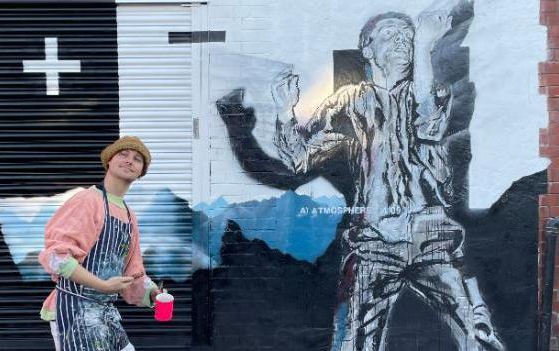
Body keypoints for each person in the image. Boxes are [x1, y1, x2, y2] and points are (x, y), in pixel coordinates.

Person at [216, 9, 504, 351]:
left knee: (479, 334)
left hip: (434, 239)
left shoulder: (432, 90)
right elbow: (299, 159)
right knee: (357, 343)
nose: (402, 42)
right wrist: (284, 112)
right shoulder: (350, 101)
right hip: (376, 243)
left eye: (408, 37)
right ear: (367, 49)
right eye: (390, 35)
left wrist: (426, 45)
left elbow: (428, 124)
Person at [38, 136, 161, 351]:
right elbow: (57, 257)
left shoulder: (130, 216)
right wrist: (103, 285)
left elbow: (132, 272)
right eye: (123, 154)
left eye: (137, 159)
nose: (129, 160)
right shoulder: (88, 200)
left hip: (105, 312)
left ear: (141, 172)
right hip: (75, 310)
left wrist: (153, 294)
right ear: (109, 161)